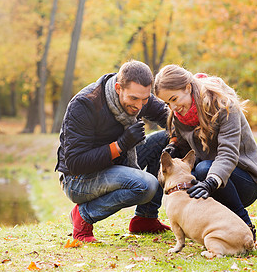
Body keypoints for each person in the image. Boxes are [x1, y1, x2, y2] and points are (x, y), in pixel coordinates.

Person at [55, 60, 171, 242]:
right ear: (118, 88)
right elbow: (75, 163)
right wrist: (121, 145)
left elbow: (168, 117)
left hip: (116, 163)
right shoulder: (85, 104)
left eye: (145, 99)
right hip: (77, 179)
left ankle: (145, 219)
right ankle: (83, 215)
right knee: (147, 185)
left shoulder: (138, 95)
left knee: (165, 139)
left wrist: (191, 127)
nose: (140, 106)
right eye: (134, 99)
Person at [154, 64, 257, 241]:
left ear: (187, 87)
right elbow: (187, 151)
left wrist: (210, 182)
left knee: (203, 169)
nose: (173, 107)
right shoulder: (179, 117)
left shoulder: (224, 106)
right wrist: (174, 149)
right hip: (208, 178)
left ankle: (245, 224)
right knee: (193, 171)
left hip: (243, 181)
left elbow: (228, 154)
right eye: (167, 103)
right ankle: (200, 228)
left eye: (174, 98)